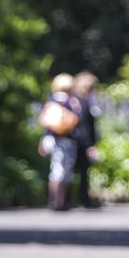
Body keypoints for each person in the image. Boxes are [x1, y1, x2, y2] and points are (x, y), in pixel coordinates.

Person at [39, 73, 81, 211]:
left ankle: (53, 200)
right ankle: (60, 201)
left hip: (50, 138)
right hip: (65, 139)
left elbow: (45, 123)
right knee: (63, 170)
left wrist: (43, 140)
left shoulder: (51, 100)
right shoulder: (70, 102)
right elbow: (76, 121)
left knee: (56, 169)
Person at [72, 71, 100, 208]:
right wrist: (90, 145)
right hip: (82, 142)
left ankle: (72, 198)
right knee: (83, 172)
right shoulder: (83, 102)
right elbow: (86, 126)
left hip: (73, 139)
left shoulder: (73, 100)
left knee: (72, 171)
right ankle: (83, 199)